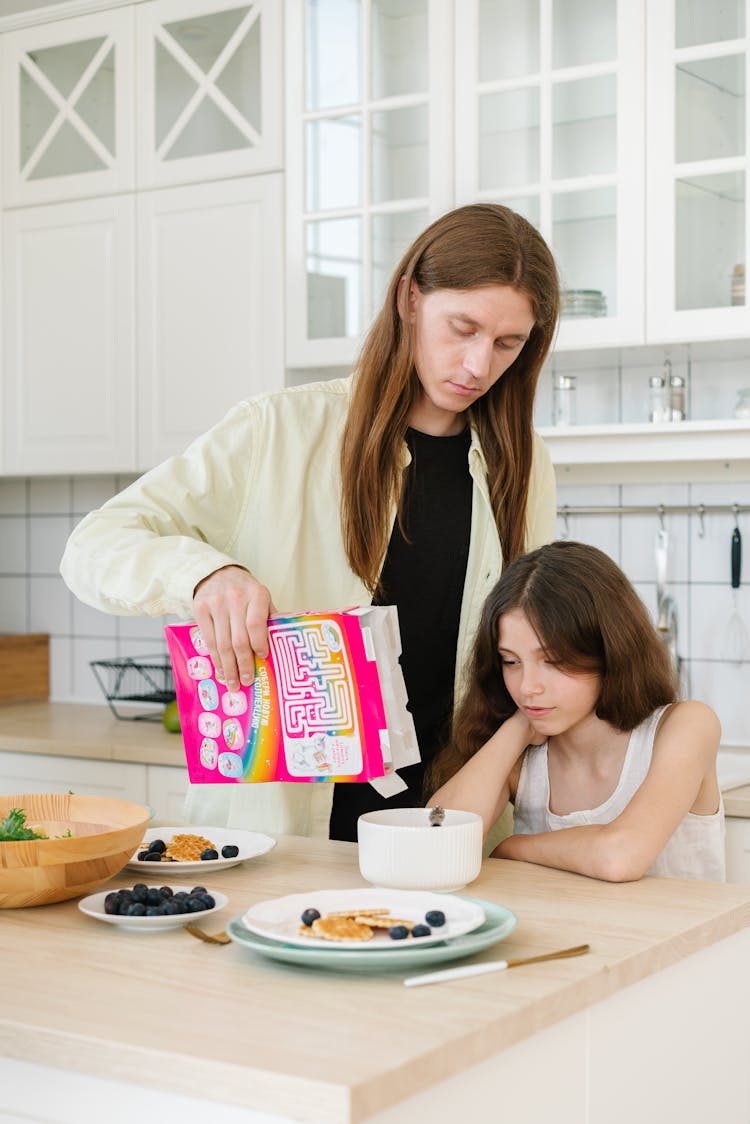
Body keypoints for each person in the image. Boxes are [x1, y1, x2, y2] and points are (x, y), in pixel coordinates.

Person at [60, 203, 561, 842]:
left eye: (506, 344)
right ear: (410, 298)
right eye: (461, 328)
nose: (476, 366)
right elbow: (95, 543)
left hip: (458, 825)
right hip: (288, 830)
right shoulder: (278, 430)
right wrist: (206, 574)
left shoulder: (524, 464)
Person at [428, 540, 725, 881]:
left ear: (609, 649)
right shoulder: (523, 756)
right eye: (511, 661)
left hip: (685, 935)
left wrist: (516, 847)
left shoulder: (687, 725)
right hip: (574, 935)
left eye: (552, 661)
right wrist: (518, 727)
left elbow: (620, 857)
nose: (527, 687)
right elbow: (435, 841)